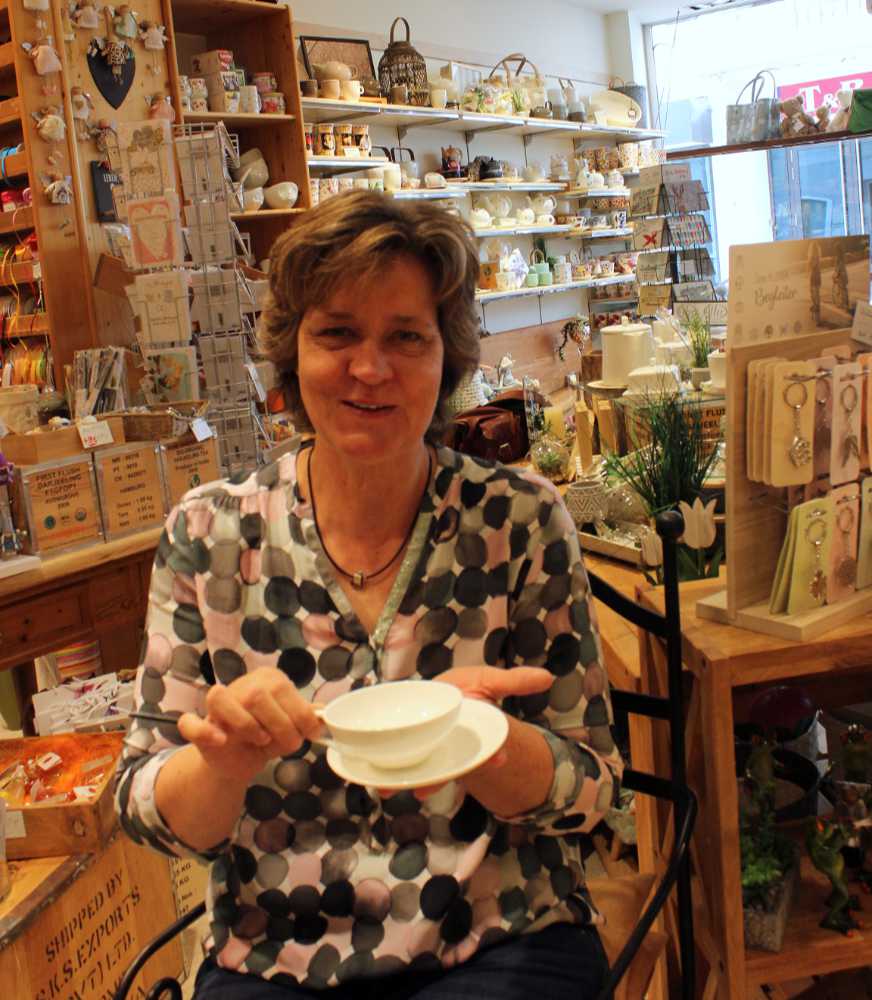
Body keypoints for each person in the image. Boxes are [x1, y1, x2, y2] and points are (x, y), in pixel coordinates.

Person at [115, 191, 622, 999]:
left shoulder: (518, 519)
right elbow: (146, 806)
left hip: (499, 936)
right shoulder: (209, 534)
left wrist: (486, 744)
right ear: (293, 352)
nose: (371, 368)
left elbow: (593, 790)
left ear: (447, 358)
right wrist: (223, 762)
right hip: (275, 955)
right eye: (338, 333)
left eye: (406, 337)